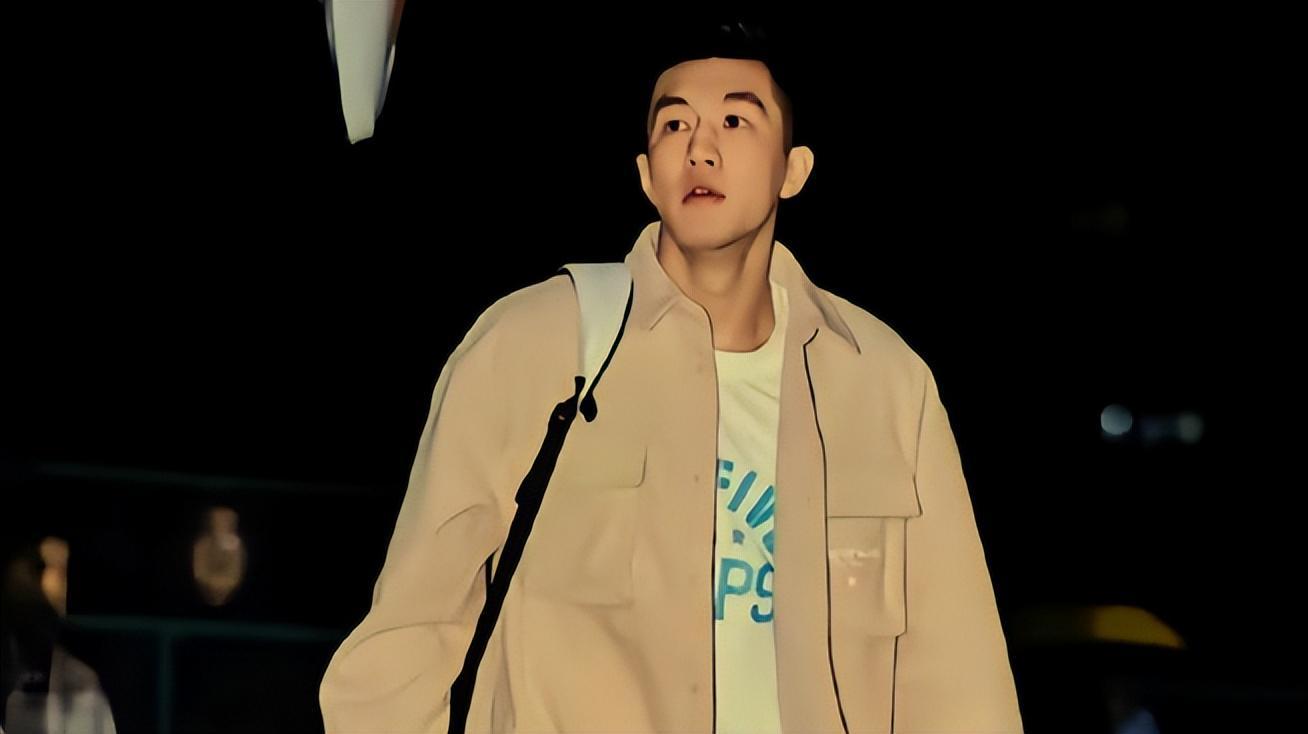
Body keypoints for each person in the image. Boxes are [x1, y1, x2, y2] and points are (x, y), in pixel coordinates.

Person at [320, 19, 1023, 733]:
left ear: (793, 169)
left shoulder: (884, 385)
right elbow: (404, 641)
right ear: (645, 174)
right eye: (675, 124)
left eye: (735, 121)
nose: (699, 149)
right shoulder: (535, 347)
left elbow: (960, 683)